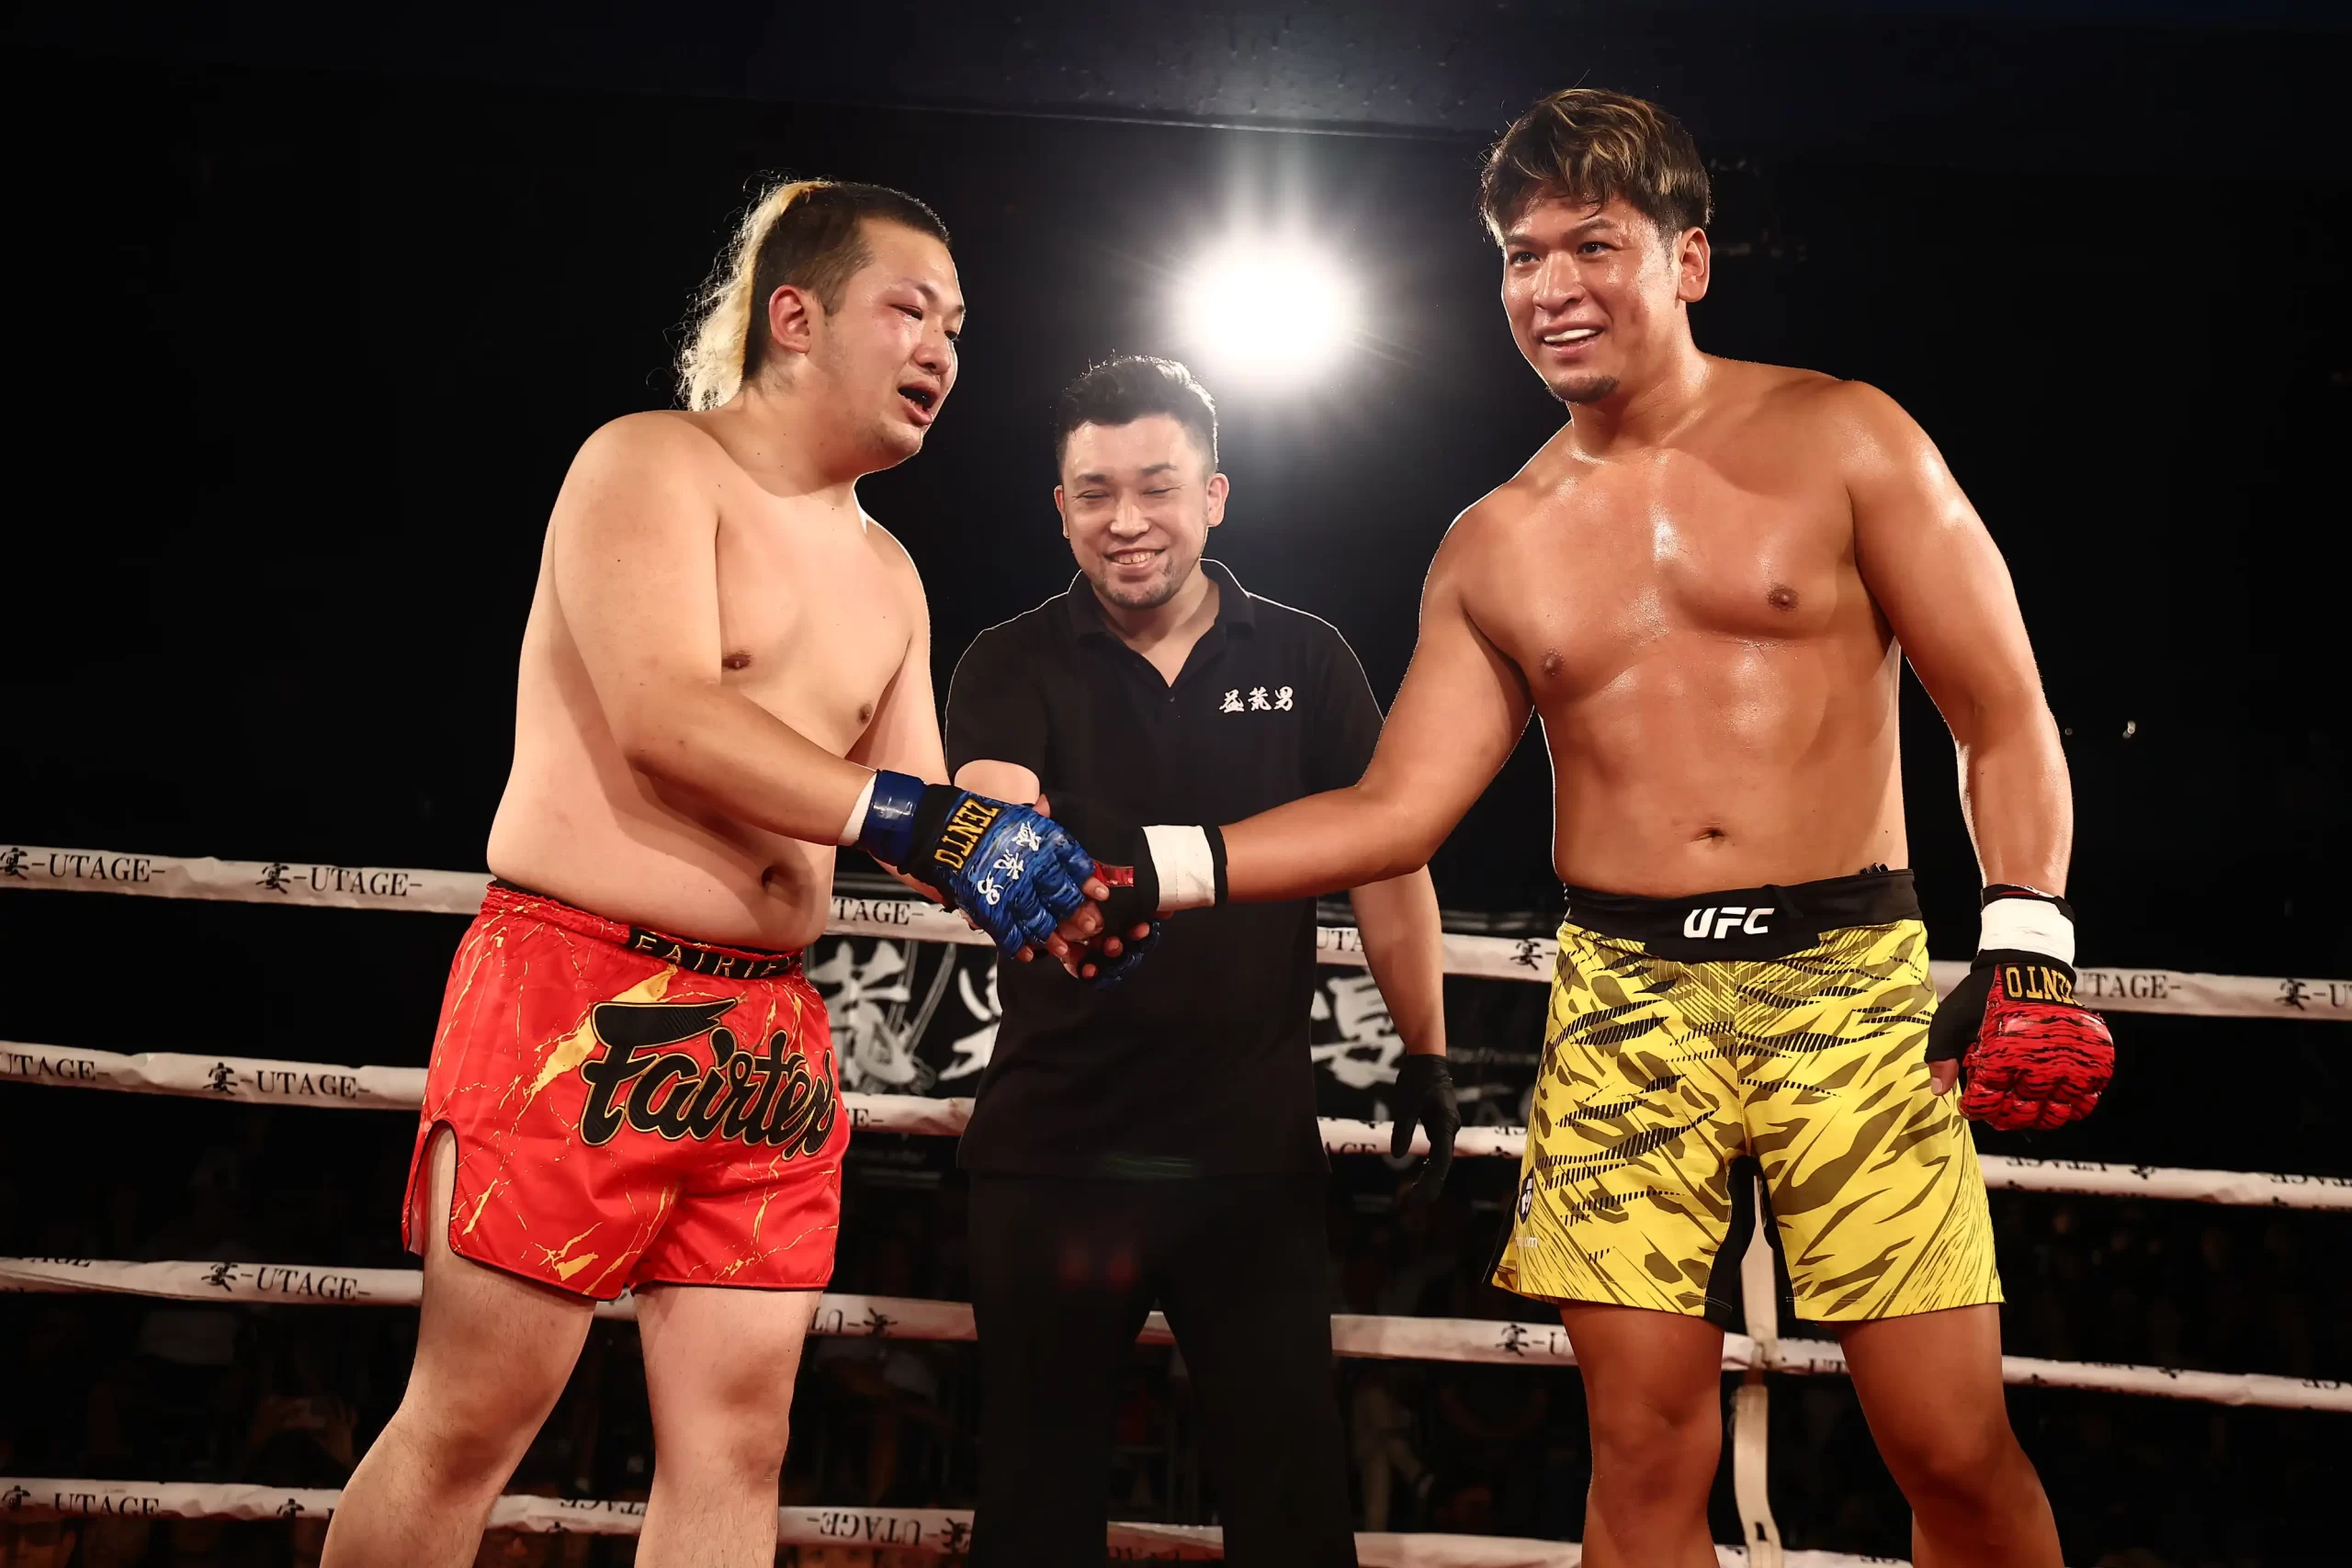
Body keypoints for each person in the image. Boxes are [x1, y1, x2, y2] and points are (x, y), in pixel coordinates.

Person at [1076, 91, 2116, 1567]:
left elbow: (2002, 712)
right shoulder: (1493, 540)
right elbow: (1398, 807)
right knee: (1639, 1449)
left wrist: (2026, 933)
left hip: (1850, 985)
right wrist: (1162, 866)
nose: (1551, 286)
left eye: (1592, 244)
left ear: (1688, 259)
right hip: (1625, 1001)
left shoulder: (1845, 436)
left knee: (1949, 1441)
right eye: (1521, 255)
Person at [322, 178, 1103, 1568]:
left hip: (767, 1031)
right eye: (909, 310)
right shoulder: (650, 466)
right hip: (579, 989)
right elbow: (667, 716)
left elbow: (914, 815)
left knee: (741, 1446)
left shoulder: (892, 574)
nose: (941, 348)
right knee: (474, 1418)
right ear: (795, 316)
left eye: (957, 326)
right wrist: (919, 816)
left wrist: (1009, 838)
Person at [944, 356, 1462, 1566]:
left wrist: (1427, 1052)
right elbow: (993, 807)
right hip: (1054, 1150)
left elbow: (1387, 855)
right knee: (1031, 1512)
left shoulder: (1309, 657)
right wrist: (1007, 844)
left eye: (1157, 486)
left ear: (1215, 496)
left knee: (1294, 1510)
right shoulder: (1009, 659)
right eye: (1095, 492)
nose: (1126, 519)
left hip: (1252, 1159)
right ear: (1060, 509)